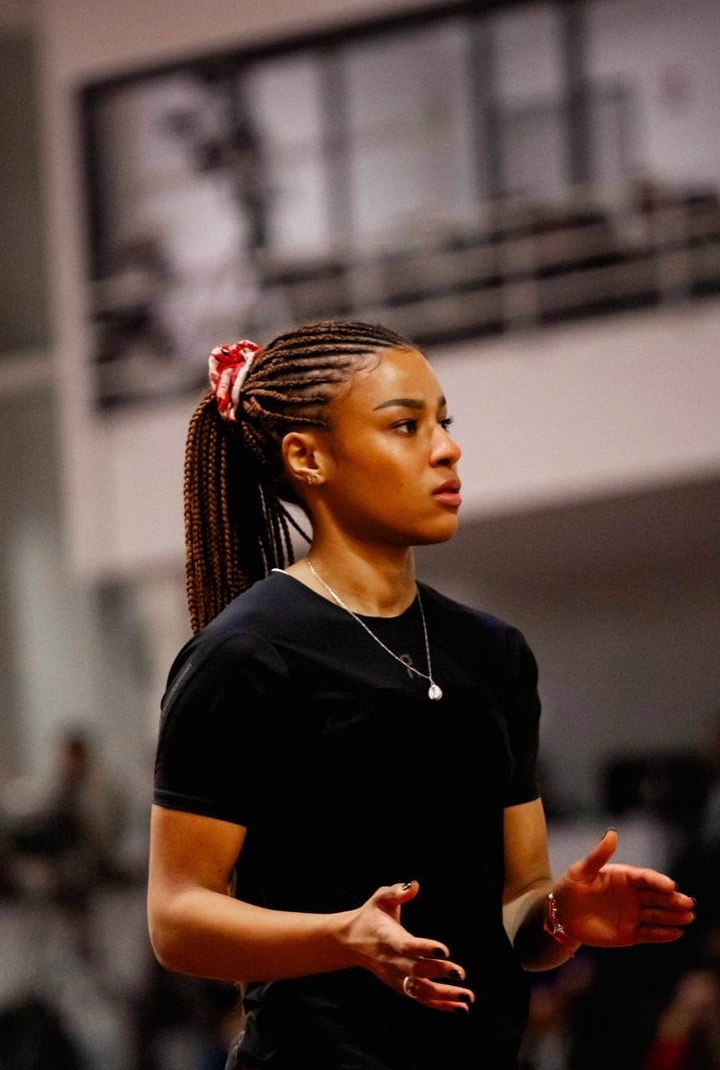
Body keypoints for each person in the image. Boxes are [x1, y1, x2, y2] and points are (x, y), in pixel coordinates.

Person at [148, 319, 696, 1070]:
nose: (446, 448)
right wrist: (344, 937)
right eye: (405, 425)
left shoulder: (494, 653)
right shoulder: (247, 655)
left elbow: (518, 907)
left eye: (444, 421)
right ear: (308, 457)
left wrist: (561, 916)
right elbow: (176, 920)